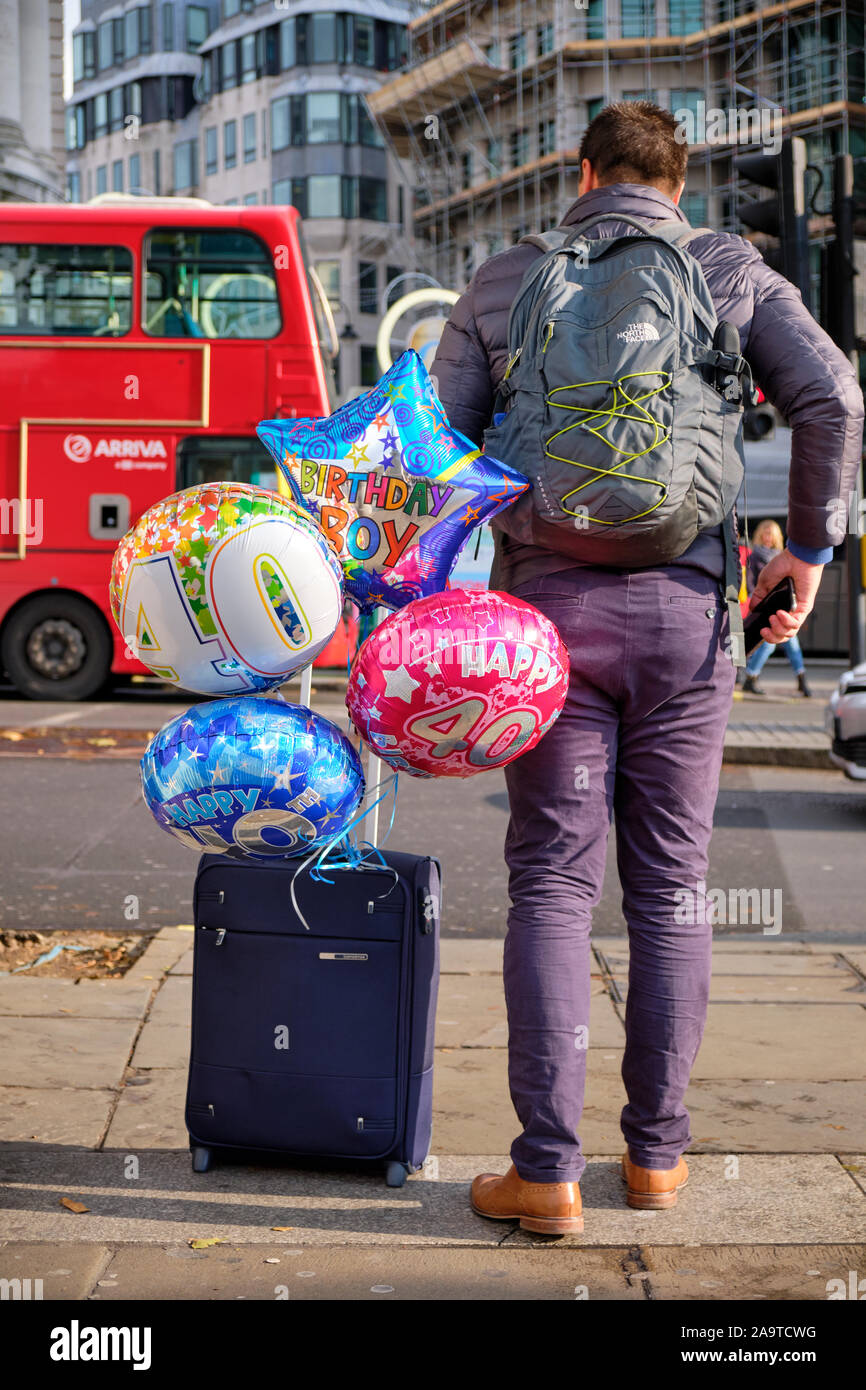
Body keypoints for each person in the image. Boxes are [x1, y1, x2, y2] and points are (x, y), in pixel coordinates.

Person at [431, 101, 863, 1234]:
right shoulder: (727, 269)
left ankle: (546, 1172)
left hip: (546, 622)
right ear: (677, 185)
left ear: (583, 176)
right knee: (672, 886)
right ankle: (658, 1159)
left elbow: (438, 451)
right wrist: (808, 554)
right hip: (686, 611)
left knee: (552, 883)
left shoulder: (505, 279)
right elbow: (832, 395)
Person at [741, 520, 812, 696]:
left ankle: (801, 679)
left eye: (771, 535)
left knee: (792, 644)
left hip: (781, 606)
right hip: (765, 605)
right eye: (765, 534)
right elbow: (749, 583)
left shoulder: (782, 556)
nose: (768, 538)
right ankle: (751, 676)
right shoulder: (754, 556)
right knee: (770, 644)